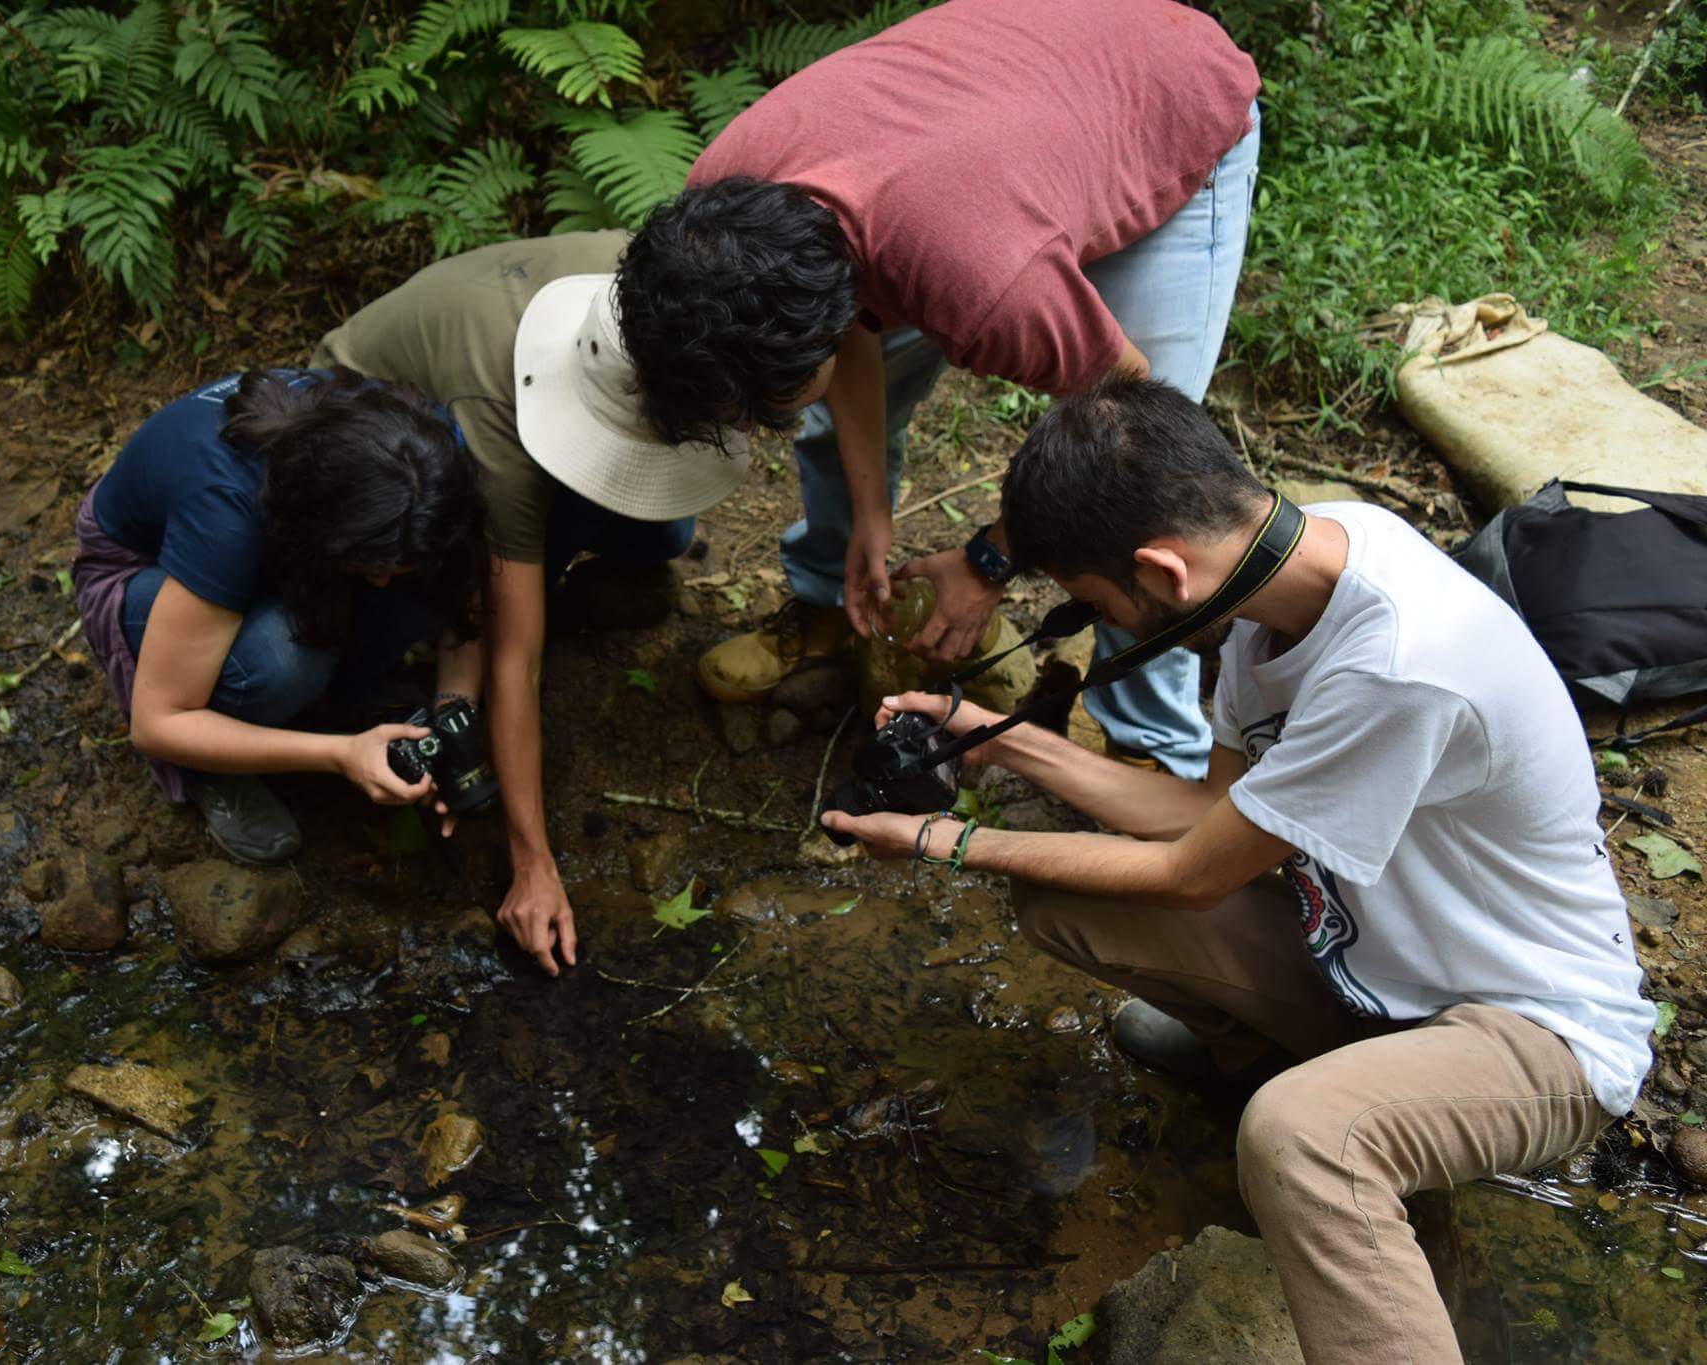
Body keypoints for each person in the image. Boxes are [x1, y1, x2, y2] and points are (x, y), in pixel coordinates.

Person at [823, 377, 1656, 1363]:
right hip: (1373, 973)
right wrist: (999, 745)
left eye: (1100, 608)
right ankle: (1277, 1059)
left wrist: (940, 843)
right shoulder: (1283, 578)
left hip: (1533, 1036)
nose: (1117, 632)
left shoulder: (1393, 661)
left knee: (1300, 1139)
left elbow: (1189, 873)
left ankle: (1329, 1128)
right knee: (1063, 898)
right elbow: (1199, 814)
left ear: (1160, 572)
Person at [614, 0, 1261, 777]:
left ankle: (1154, 753)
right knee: (839, 425)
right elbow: (848, 334)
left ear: (824, 324)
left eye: (771, 402)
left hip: (1164, 88)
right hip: (1004, 110)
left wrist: (989, 563)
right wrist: (871, 516)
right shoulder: (718, 216)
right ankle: (831, 603)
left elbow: (1128, 422)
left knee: (1145, 501)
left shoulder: (988, 284)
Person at [311, 234, 749, 976]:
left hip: (496, 396)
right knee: (414, 630)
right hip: (373, 450)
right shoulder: (502, 444)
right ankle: (438, 638)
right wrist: (532, 861)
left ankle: (509, 599)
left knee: (664, 529)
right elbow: (518, 658)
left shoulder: (669, 291)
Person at [71, 368, 490, 862]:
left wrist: (452, 723)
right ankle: (212, 770)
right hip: (142, 570)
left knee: (413, 589)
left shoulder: (427, 457)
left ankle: (332, 704)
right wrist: (340, 755)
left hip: (281, 546)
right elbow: (158, 723)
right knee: (285, 658)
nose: (381, 579)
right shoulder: (225, 513)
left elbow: (461, 590)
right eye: (372, 566)